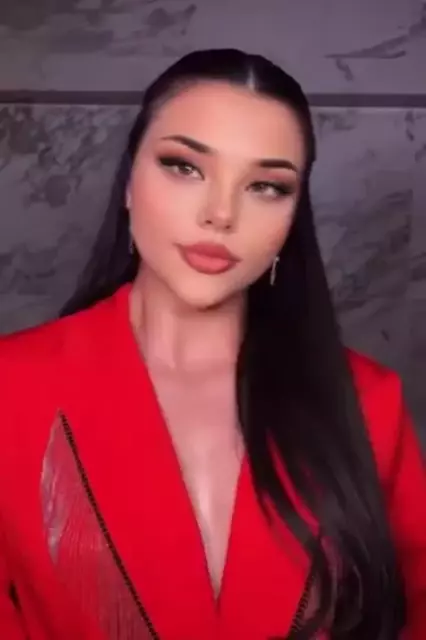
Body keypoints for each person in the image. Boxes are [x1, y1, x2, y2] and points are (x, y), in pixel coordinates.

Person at [0, 48, 425, 640]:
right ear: (128, 183)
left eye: (266, 186)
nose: (221, 214)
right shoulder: (12, 388)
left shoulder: (367, 401)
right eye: (185, 167)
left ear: (292, 218)